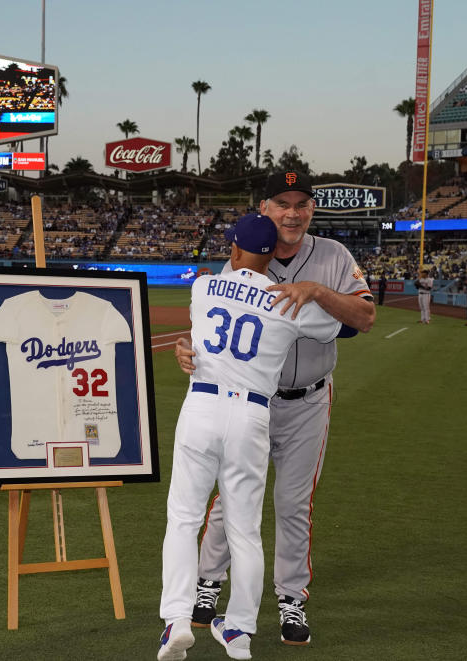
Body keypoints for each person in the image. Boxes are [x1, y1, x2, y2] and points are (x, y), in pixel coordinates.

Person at [175, 170, 375, 647]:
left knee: (292, 504)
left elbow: (365, 316)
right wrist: (188, 349)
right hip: (247, 403)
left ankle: (290, 598)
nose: (292, 212)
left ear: (311, 209)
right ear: (264, 208)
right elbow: (214, 333)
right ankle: (208, 585)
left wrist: (318, 291)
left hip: (307, 400)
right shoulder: (236, 265)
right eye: (282, 203)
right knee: (226, 499)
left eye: (301, 203)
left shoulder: (332, 255)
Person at [158, 213, 342, 661]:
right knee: (245, 529)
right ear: (271, 254)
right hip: (252, 414)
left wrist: (190, 350)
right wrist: (309, 295)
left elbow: (199, 340)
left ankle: (177, 621)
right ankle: (239, 631)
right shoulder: (288, 300)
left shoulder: (203, 286)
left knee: (184, 518)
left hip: (202, 406)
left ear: (236, 250)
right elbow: (337, 328)